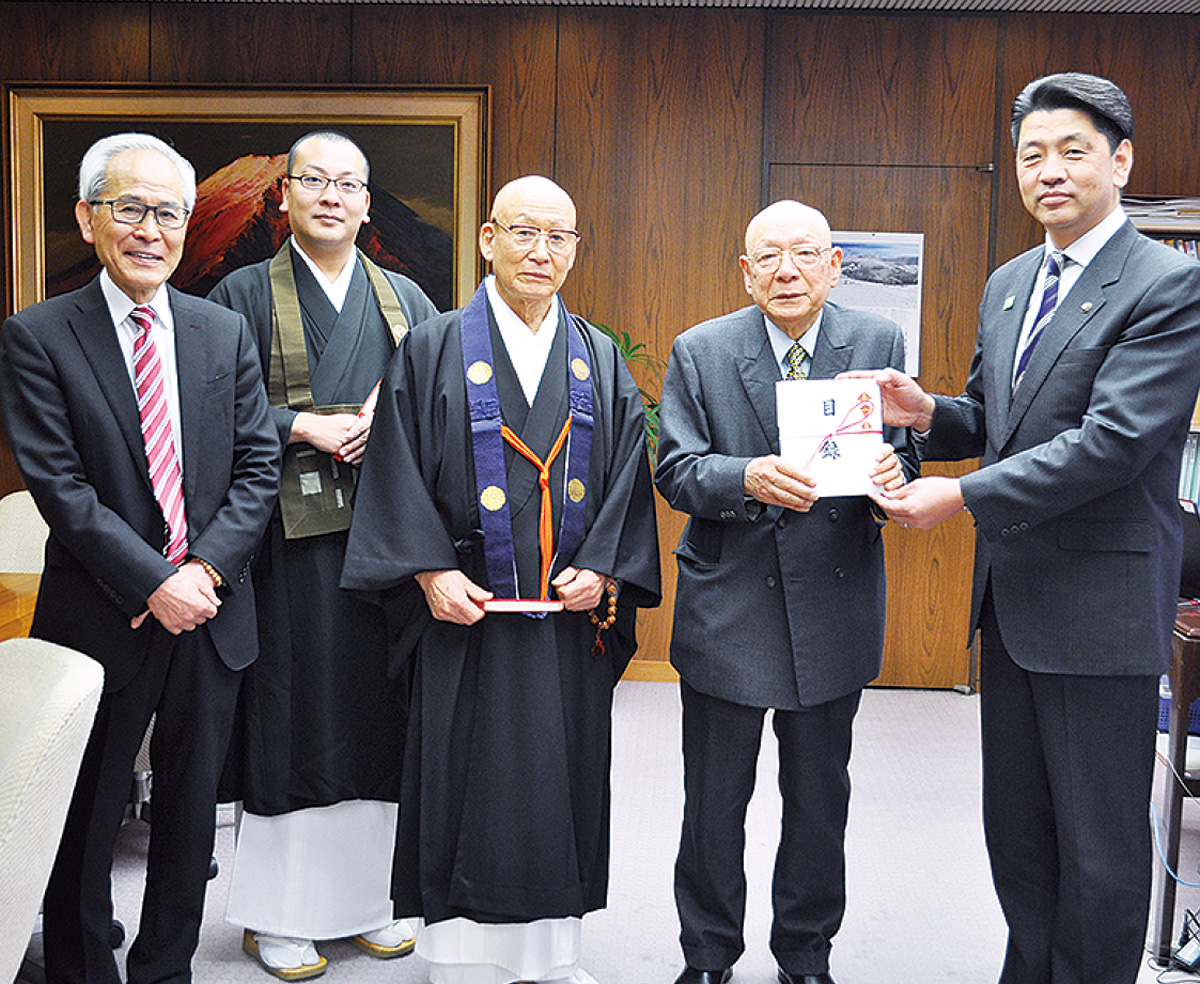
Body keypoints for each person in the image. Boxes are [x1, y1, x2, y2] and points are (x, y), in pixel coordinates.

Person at [855, 73, 1200, 984]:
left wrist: (959, 499)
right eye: (1032, 154)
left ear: (1121, 161)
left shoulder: (1169, 284)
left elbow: (1112, 444)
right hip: (1012, 609)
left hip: (1101, 610)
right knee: (1019, 838)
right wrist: (931, 411)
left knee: (1100, 852)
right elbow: (998, 417)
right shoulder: (1011, 281)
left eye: (1072, 151)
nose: (1049, 170)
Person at [340, 174, 661, 984]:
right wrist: (426, 572)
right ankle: (458, 951)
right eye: (525, 232)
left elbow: (629, 471)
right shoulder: (433, 344)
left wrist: (607, 570)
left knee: (563, 773)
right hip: (465, 614)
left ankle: (552, 952)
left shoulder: (597, 358)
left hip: (563, 617)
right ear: (488, 239)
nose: (541, 252)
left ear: (575, 250)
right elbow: (395, 469)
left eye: (560, 237)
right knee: (462, 771)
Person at [0, 133, 279, 984]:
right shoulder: (38, 335)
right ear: (89, 219)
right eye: (130, 208)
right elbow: (62, 489)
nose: (150, 229)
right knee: (85, 817)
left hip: (211, 614)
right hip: (99, 618)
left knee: (191, 820)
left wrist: (201, 576)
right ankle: (84, 969)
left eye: (168, 211)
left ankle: (166, 970)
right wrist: (155, 582)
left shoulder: (220, 330)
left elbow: (257, 465)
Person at [653, 199, 916, 984]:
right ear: (745, 270)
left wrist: (892, 479)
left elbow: (898, 452)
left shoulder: (876, 341)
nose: (787, 271)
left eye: (805, 254)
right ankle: (708, 955)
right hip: (729, 607)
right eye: (768, 256)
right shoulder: (700, 349)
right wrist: (745, 476)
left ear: (835, 264)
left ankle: (804, 953)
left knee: (818, 800)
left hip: (833, 604)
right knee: (714, 802)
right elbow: (675, 470)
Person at [207, 130, 438, 980]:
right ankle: (281, 915)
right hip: (283, 545)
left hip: (382, 542)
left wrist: (388, 419)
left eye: (349, 184)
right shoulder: (238, 295)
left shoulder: (408, 300)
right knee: (292, 712)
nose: (332, 196)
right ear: (285, 197)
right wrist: (300, 424)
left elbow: (436, 409)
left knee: (380, 710)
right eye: (315, 181)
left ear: (367, 203)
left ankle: (369, 903)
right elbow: (211, 417)